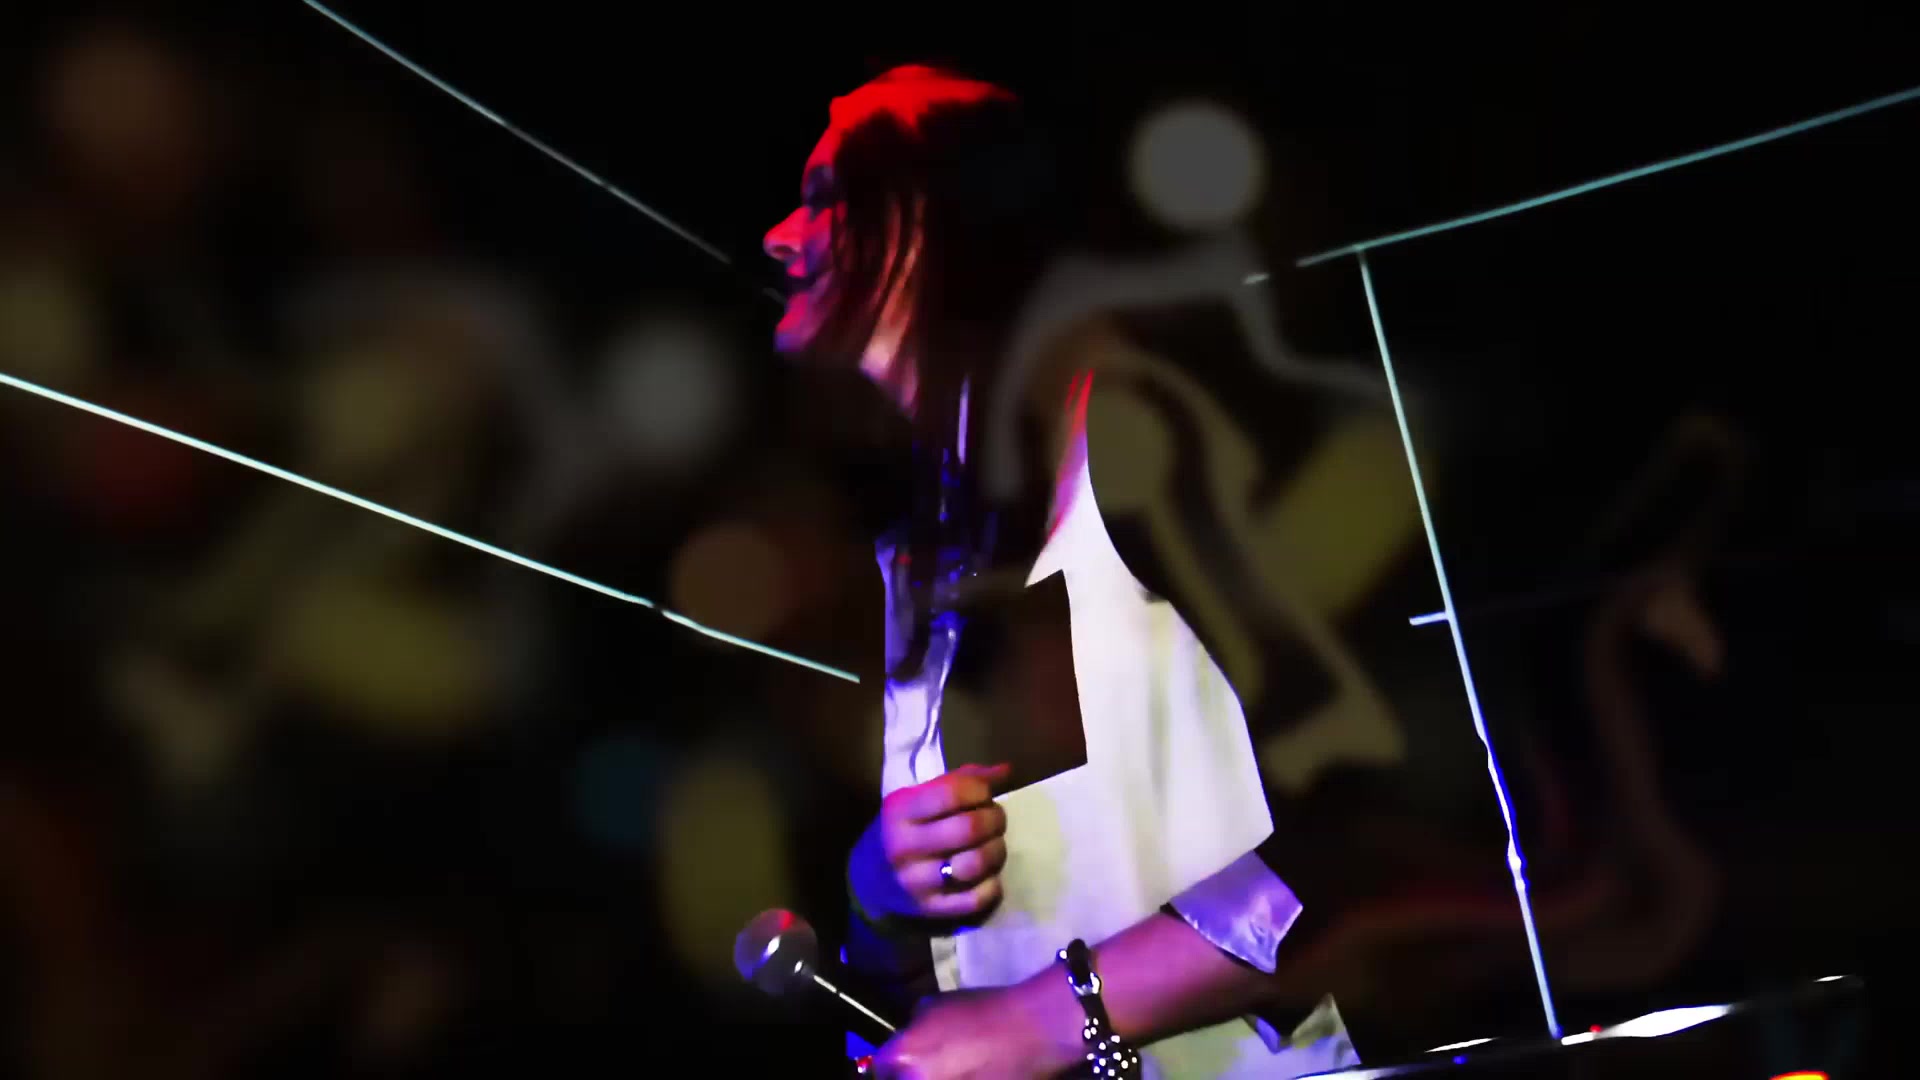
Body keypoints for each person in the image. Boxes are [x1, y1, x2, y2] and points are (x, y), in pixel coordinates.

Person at [763, 65, 1359, 1079]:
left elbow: (1365, 820)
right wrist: (879, 896)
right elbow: (934, 1009)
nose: (781, 236)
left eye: (826, 198)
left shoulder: (1139, 431)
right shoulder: (916, 549)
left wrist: (1048, 1017)